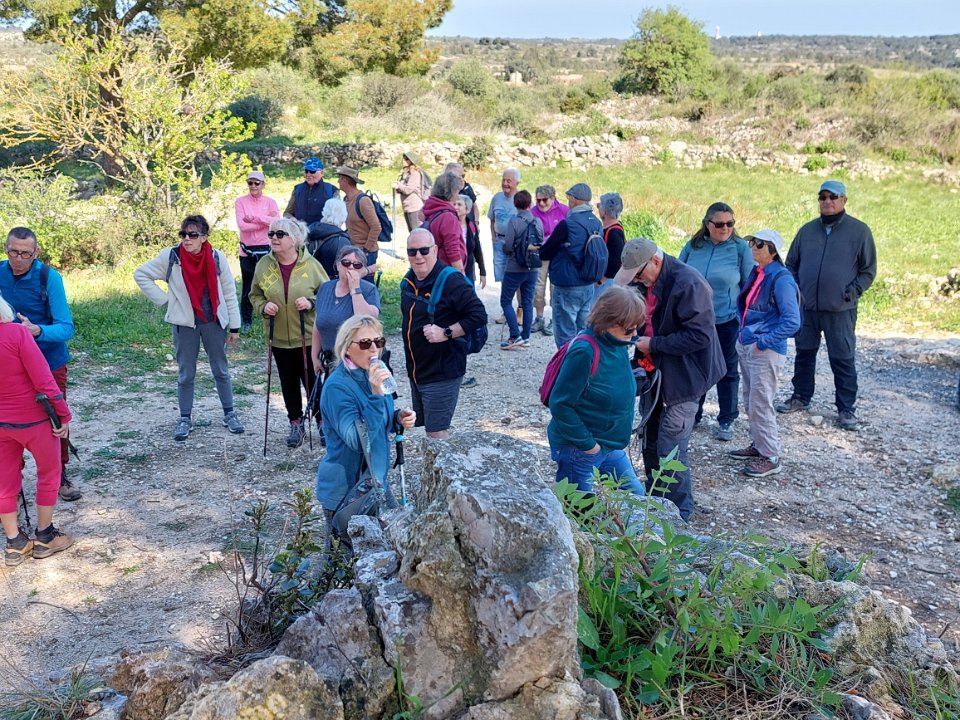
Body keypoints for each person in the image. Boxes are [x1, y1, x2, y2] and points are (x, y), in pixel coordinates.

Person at [614, 238, 725, 522]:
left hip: (687, 376)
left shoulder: (689, 284)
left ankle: (679, 514)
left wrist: (654, 345)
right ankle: (656, 501)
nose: (636, 280)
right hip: (656, 370)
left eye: (639, 274)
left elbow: (700, 336)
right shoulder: (647, 281)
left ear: (655, 261)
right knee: (649, 437)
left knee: (671, 447)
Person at [134, 215, 246, 441]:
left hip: (213, 322)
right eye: (183, 234)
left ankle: (230, 413)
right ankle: (185, 418)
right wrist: (165, 300)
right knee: (186, 373)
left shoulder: (216, 257)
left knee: (221, 370)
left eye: (193, 235)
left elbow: (228, 292)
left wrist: (234, 326)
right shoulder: (172, 257)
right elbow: (141, 274)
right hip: (185, 325)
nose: (187, 239)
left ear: (204, 237)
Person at [777, 180, 877, 431]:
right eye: (822, 197)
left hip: (840, 309)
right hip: (808, 308)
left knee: (842, 358)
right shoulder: (807, 231)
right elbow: (791, 264)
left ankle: (846, 408)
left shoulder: (859, 231)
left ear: (844, 200)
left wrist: (851, 292)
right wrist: (796, 290)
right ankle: (800, 397)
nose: (827, 201)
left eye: (833, 196)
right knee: (804, 353)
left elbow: (868, 270)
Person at [0, 227, 79, 501]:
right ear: (6, 248)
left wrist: (37, 331)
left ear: (36, 253)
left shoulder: (48, 277)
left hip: (48, 361)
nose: (18, 259)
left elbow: (66, 328)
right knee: (8, 422)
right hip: (9, 367)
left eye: (26, 254)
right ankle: (11, 482)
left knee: (54, 418)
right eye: (13, 252)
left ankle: (60, 474)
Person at [315, 315, 416, 525]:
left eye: (379, 341)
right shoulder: (336, 387)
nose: (374, 349)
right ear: (346, 348)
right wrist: (376, 395)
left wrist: (397, 418)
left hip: (375, 481)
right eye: (365, 343)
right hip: (347, 489)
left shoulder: (375, 372)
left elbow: (378, 420)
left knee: (395, 534)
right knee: (343, 546)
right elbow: (357, 440)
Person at [547, 285, 647, 496]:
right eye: (629, 330)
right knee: (578, 508)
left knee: (636, 498)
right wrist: (589, 446)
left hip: (609, 445)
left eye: (636, 328)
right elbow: (561, 404)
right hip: (580, 448)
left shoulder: (617, 343)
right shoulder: (584, 351)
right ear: (609, 323)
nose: (635, 335)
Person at [0, 294, 74, 566]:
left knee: (4, 482)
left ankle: (14, 543)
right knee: (49, 472)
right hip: (35, 420)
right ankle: (45, 536)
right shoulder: (17, 333)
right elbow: (43, 378)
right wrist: (63, 414)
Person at [249, 217, 329, 448]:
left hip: (308, 336)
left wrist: (311, 303)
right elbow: (254, 294)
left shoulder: (312, 265)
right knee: (288, 383)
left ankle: (322, 422)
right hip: (278, 337)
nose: (273, 238)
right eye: (271, 234)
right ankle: (296, 423)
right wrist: (263, 306)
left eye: (279, 234)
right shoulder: (263, 264)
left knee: (313, 381)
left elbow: (327, 294)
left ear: (294, 240)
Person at [400, 228, 487, 439]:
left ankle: (444, 462)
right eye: (412, 252)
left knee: (436, 432)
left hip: (443, 371)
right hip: (418, 371)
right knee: (430, 428)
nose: (418, 256)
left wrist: (446, 332)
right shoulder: (409, 281)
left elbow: (479, 315)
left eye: (424, 250)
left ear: (435, 250)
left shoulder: (451, 281)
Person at [678, 202, 754, 441]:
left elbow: (749, 286)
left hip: (726, 320)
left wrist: (744, 318)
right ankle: (694, 414)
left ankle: (727, 419)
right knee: (695, 366)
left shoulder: (740, 249)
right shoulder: (693, 246)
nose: (725, 228)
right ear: (707, 224)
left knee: (728, 369)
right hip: (695, 319)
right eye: (720, 224)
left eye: (730, 223)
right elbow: (679, 275)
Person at [731, 230, 801, 478]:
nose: (753, 246)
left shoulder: (781, 279)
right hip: (751, 345)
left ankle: (771, 456)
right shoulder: (759, 271)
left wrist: (763, 342)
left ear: (773, 250)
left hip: (765, 349)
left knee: (760, 403)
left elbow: (792, 321)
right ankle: (759, 445)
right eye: (752, 242)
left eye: (759, 244)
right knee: (752, 399)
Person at [539, 183, 603, 348]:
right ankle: (583, 362)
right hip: (588, 284)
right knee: (583, 332)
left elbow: (545, 252)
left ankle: (566, 363)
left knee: (565, 334)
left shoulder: (567, 224)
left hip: (567, 284)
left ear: (574, 199)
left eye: (569, 198)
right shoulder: (596, 223)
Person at [312, 245, 382, 396]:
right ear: (338, 265)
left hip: (358, 363)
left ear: (362, 270)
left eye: (357, 265)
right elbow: (318, 325)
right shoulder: (325, 288)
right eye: (346, 263)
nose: (351, 267)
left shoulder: (369, 290)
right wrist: (314, 355)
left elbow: (366, 320)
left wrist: (355, 289)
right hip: (331, 362)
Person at [235, 170, 279, 334]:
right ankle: (246, 320)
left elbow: (276, 222)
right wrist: (265, 222)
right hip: (247, 251)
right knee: (248, 286)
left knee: (269, 285)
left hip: (267, 250)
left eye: (256, 183)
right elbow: (243, 226)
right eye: (250, 183)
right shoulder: (240, 202)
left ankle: (270, 316)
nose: (253, 186)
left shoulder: (270, 202)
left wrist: (255, 218)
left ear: (263, 184)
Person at [499, 190, 543, 349]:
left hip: (514, 267)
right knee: (527, 302)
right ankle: (526, 337)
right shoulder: (537, 221)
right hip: (532, 267)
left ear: (515, 204)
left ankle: (514, 335)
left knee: (505, 301)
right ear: (530, 203)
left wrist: (505, 249)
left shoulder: (514, 221)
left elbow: (508, 245)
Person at [530, 185, 568, 336]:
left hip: (558, 254)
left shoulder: (564, 210)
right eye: (538, 200)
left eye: (544, 200)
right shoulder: (533, 212)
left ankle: (554, 319)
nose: (541, 203)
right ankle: (539, 318)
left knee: (555, 287)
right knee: (538, 286)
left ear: (553, 198)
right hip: (541, 253)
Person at [420, 171, 466, 272]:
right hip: (446, 270)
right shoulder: (448, 216)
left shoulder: (431, 208)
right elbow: (452, 250)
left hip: (433, 267)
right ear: (452, 192)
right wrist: (460, 273)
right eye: (457, 191)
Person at [339, 166, 382, 267]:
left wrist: (366, 249)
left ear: (344, 180)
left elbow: (376, 227)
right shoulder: (346, 199)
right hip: (353, 251)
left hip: (366, 253)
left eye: (339, 179)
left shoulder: (363, 201)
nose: (338, 181)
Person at [487, 167, 520, 293]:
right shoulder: (497, 198)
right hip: (499, 241)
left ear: (517, 183)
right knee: (503, 277)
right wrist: (493, 238)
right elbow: (492, 219)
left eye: (509, 181)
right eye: (503, 180)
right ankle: (506, 303)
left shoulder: (522, 198)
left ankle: (520, 304)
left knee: (518, 278)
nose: (505, 183)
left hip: (516, 243)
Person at [284, 156, 339, 228]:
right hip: (301, 232)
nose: (308, 174)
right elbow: (287, 213)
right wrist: (291, 219)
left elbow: (338, 217)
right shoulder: (297, 189)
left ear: (322, 173)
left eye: (312, 171)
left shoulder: (332, 190)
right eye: (306, 171)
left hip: (323, 233)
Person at [306, 198, 353, 280]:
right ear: (344, 216)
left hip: (308, 279)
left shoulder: (309, 230)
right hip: (330, 283)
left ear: (324, 212)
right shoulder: (342, 240)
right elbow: (345, 269)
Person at [392, 152, 431, 232]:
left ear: (411, 161)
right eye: (404, 158)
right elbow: (402, 188)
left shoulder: (415, 174)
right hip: (407, 206)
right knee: (411, 231)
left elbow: (408, 190)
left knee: (416, 231)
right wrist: (398, 188)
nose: (403, 160)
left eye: (406, 159)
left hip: (414, 207)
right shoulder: (406, 174)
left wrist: (398, 185)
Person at [597, 192, 626, 295]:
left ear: (604, 211)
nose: (598, 209)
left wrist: (601, 281)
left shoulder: (613, 233)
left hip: (606, 283)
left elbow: (616, 260)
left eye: (599, 206)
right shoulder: (615, 227)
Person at [456, 194, 486, 289]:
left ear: (468, 210)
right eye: (454, 204)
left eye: (459, 204)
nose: (456, 207)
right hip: (452, 270)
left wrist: (482, 272)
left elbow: (477, 249)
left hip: (468, 270)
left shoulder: (471, 226)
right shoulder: (449, 225)